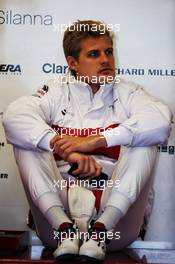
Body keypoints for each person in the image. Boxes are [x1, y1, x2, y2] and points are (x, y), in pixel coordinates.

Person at [2, 20, 172, 261]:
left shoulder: (128, 91)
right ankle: (65, 229)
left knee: (146, 137)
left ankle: (100, 231)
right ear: (73, 63)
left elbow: (161, 122)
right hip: (56, 221)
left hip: (116, 225)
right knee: (26, 140)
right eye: (94, 54)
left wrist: (95, 141)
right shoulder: (55, 92)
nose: (105, 59)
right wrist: (70, 152)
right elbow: (13, 116)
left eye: (108, 52)